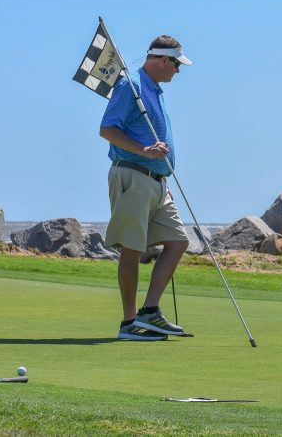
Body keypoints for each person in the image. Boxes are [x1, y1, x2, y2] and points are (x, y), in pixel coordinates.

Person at [99, 35, 193, 341]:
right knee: (132, 249)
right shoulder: (130, 85)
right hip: (132, 175)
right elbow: (107, 129)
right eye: (176, 64)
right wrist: (145, 151)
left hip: (157, 182)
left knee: (178, 241)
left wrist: (161, 169)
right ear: (163, 60)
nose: (178, 71)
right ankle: (129, 323)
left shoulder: (156, 91)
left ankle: (150, 311)